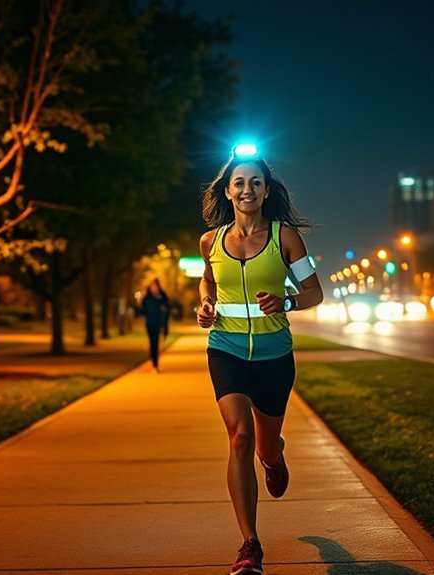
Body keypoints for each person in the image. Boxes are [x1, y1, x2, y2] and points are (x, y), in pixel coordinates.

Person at [196, 146, 323, 575]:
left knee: (264, 444)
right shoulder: (210, 241)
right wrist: (206, 304)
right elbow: (207, 282)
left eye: (255, 182)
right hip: (226, 349)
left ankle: (275, 456)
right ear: (228, 191)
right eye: (239, 182)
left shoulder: (284, 237)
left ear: (266, 190)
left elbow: (314, 293)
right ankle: (249, 544)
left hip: (274, 356)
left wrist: (286, 298)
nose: (246, 189)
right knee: (239, 438)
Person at [138, 278, 170, 372]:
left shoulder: (163, 297)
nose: (154, 288)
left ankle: (155, 364)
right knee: (152, 342)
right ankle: (153, 361)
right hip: (150, 323)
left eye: (156, 286)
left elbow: (168, 308)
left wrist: (164, 309)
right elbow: (142, 311)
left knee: (155, 342)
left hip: (159, 323)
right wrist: (139, 304)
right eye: (152, 286)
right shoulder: (147, 298)